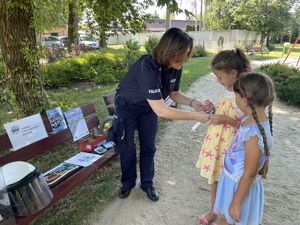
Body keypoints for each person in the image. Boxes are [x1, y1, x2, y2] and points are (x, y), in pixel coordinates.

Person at [108, 28, 211, 202]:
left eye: (188, 53)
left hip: (149, 108)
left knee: (149, 146)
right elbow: (162, 110)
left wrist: (194, 103)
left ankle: (147, 183)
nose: (187, 58)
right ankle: (128, 182)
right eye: (184, 53)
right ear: (170, 50)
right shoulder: (146, 67)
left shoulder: (175, 65)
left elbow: (174, 93)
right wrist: (195, 117)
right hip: (128, 107)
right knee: (127, 148)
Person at [211, 72, 275, 225]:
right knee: (225, 218)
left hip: (239, 188)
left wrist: (236, 202)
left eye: (236, 96)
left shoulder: (254, 134)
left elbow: (250, 173)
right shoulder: (251, 120)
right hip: (233, 182)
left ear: (244, 100)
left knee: (228, 219)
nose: (235, 100)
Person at [196, 49, 250, 225]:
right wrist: (212, 109)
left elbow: (248, 124)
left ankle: (225, 215)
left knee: (228, 181)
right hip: (217, 144)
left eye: (219, 77)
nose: (217, 80)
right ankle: (214, 210)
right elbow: (221, 112)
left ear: (233, 73)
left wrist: (226, 119)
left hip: (231, 147)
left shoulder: (243, 93)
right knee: (215, 178)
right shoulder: (228, 89)